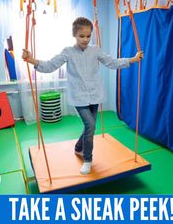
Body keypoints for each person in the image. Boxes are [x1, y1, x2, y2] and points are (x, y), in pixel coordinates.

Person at [22, 17, 143, 175]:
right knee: (91, 126)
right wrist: (32, 60)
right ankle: (88, 159)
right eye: (82, 36)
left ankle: (79, 147)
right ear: (74, 35)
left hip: (94, 94)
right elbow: (50, 65)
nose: (85, 39)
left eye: (88, 35)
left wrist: (132, 60)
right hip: (79, 96)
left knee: (89, 127)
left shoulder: (95, 50)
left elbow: (112, 62)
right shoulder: (68, 52)